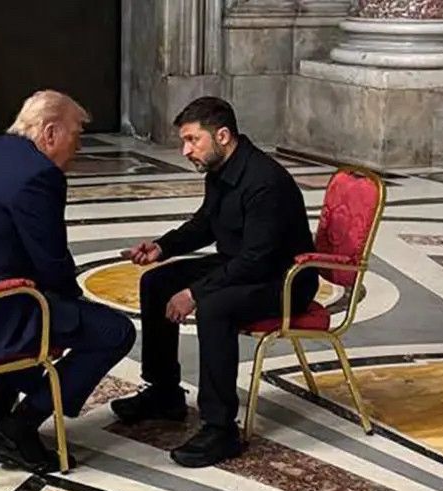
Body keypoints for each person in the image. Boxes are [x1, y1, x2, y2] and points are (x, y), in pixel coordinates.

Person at [0, 90, 136, 473]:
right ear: (50, 132)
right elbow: (52, 260)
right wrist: (77, 307)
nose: (79, 146)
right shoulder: (39, 175)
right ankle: (18, 426)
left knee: (48, 305)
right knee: (113, 332)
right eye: (77, 134)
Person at [111, 96, 318, 468]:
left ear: (222, 135)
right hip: (242, 265)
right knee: (156, 283)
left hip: (283, 280)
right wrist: (163, 247)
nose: (185, 150)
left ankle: (221, 427)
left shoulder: (265, 182)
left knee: (215, 307)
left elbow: (258, 260)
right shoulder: (222, 169)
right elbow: (207, 223)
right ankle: (164, 392)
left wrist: (194, 293)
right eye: (185, 141)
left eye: (193, 140)